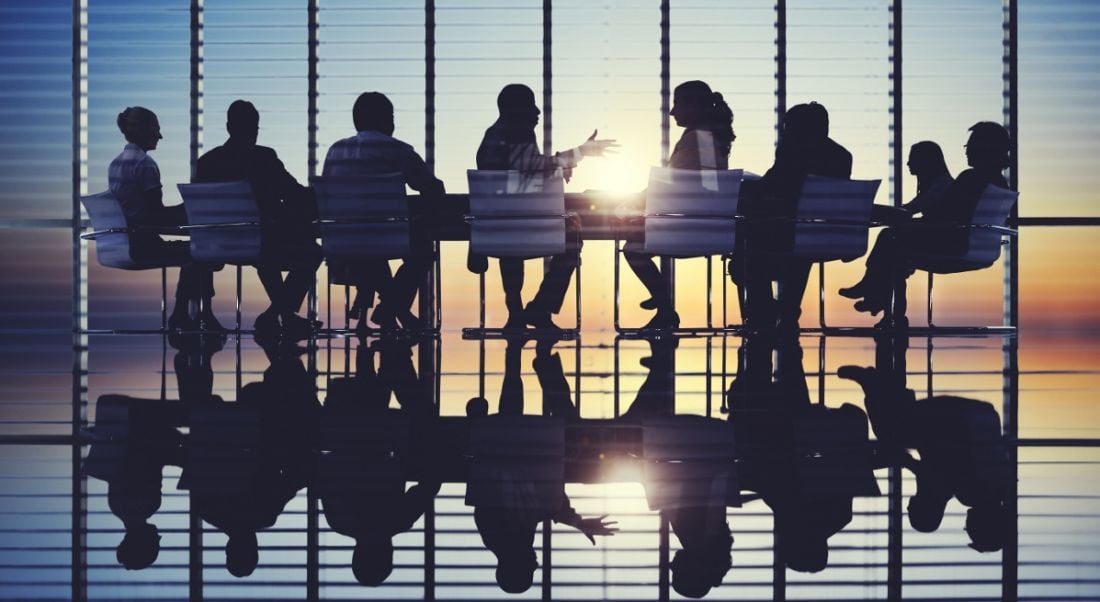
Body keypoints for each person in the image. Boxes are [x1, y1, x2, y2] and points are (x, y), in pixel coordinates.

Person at [474, 83, 618, 331]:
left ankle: (516, 312)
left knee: (510, 248)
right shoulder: (518, 130)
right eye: (531, 105)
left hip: (498, 226)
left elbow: (518, 177)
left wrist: (555, 168)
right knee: (572, 238)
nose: (538, 111)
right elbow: (528, 165)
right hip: (526, 223)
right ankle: (541, 308)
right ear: (516, 109)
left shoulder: (493, 136)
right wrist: (579, 153)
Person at [839, 123, 1011, 325]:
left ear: (985, 148)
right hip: (972, 246)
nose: (967, 150)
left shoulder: (971, 178)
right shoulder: (998, 183)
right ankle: (877, 297)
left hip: (953, 244)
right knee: (894, 244)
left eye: (970, 145)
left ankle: (875, 294)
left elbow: (945, 215)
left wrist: (903, 218)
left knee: (889, 239)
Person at [196, 100, 323, 338]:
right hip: (263, 243)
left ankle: (279, 315)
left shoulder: (207, 163)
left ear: (228, 127)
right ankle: (280, 315)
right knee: (312, 252)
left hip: (218, 246)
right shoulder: (264, 158)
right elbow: (293, 193)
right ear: (254, 128)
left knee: (269, 251)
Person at [322, 92, 445, 332]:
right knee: (421, 253)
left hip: (341, 242)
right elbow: (433, 188)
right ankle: (392, 309)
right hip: (385, 237)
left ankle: (387, 309)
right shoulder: (397, 150)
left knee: (370, 247)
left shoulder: (335, 152)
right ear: (387, 120)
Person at [623, 80, 736, 330]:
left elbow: (679, 183)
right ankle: (663, 303)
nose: (672, 112)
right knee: (637, 233)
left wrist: (636, 199)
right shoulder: (713, 138)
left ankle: (665, 308)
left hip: (689, 229)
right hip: (712, 230)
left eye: (677, 104)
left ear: (694, 105)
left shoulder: (699, 139)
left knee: (633, 247)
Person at [732, 102, 852, 333]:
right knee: (797, 243)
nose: (784, 131)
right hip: (824, 235)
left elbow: (775, 185)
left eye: (787, 126)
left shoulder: (793, 150)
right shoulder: (842, 156)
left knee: (748, 240)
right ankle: (786, 313)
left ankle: (764, 311)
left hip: (785, 233)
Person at [109, 106, 223, 331]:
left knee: (199, 253)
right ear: (144, 131)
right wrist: (189, 207)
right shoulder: (145, 164)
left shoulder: (116, 163)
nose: (159, 136)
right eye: (156, 130)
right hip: (143, 244)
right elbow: (156, 215)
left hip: (122, 243)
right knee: (204, 252)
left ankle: (187, 314)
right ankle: (195, 314)